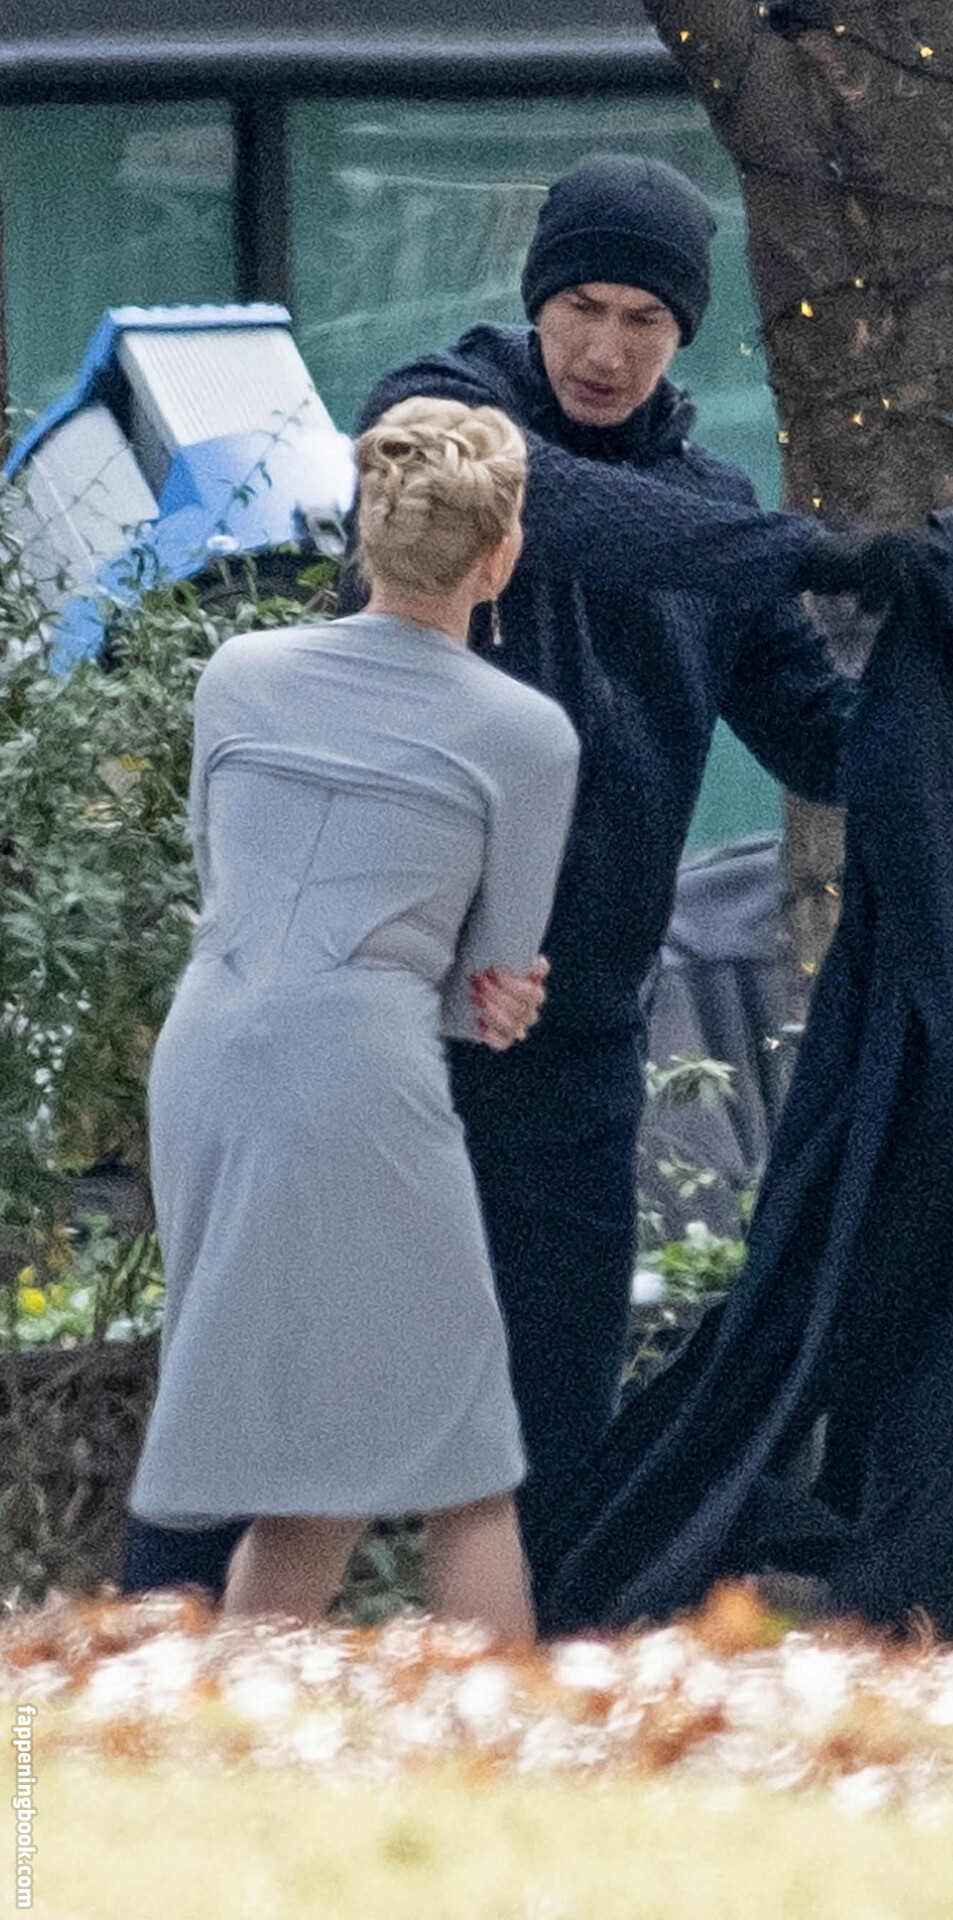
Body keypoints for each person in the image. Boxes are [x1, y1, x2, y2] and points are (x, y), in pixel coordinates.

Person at [122, 151, 920, 1601]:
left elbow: (825, 740)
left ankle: (522, 1718)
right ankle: (145, 1688)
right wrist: (814, 550)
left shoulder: (711, 515)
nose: (606, 348)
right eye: (581, 308)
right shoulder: (441, 418)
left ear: (684, 334)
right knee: (257, 1404)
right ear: (537, 299)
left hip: (571, 1053)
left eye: (644, 321)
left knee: (542, 1436)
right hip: (377, 1038)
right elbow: (560, 508)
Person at [127, 397, 579, 1631]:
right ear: (498, 557)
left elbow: (224, 879)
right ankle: (502, 1743)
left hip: (209, 1052)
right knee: (466, 1464)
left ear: (368, 533)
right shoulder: (527, 734)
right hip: (360, 1071)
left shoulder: (238, 673)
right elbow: (491, 991)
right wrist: (481, 991)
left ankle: (224, 1726)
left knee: (311, 1462)